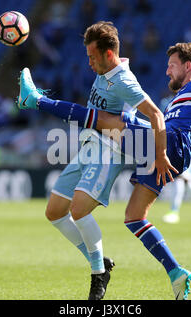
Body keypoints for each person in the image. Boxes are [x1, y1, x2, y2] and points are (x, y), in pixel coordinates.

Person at [18, 42, 191, 299]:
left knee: (105, 121)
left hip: (172, 142)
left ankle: (36, 100)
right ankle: (176, 273)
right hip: (168, 148)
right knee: (134, 217)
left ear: (187, 66)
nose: (167, 71)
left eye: (171, 65)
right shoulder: (176, 99)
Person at [19, 21, 172, 300]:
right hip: (88, 146)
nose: (89, 62)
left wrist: (160, 154)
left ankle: (97, 274)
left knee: (79, 210)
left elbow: (156, 115)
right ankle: (100, 265)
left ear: (108, 55)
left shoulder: (124, 81)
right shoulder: (108, 69)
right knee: (54, 212)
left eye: (92, 56)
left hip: (109, 151)